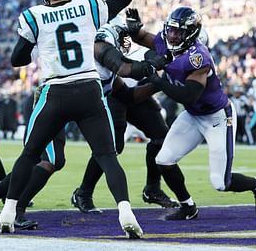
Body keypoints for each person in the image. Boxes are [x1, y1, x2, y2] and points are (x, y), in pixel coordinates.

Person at [0, 0, 146, 238]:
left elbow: (18, 59)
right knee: (107, 156)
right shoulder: (88, 4)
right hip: (89, 89)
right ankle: (125, 211)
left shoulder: (34, 16)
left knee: (29, 154)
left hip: (55, 92)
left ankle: (8, 212)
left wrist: (37, 44)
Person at [128, 6, 256, 220]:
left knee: (221, 183)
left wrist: (157, 79)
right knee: (164, 160)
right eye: (171, 30)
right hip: (193, 115)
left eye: (179, 32)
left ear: (192, 33)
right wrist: (133, 28)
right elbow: (143, 37)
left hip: (216, 117)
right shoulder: (166, 42)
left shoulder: (198, 57)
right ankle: (188, 207)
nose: (173, 36)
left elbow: (188, 95)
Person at [71, 14, 178, 214]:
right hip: (113, 92)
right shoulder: (105, 44)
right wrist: (160, 71)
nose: (126, 38)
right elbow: (132, 70)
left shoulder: (152, 42)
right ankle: (83, 193)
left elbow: (135, 93)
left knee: (162, 137)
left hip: (134, 92)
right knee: (112, 147)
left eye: (129, 33)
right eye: (123, 34)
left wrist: (158, 84)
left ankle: (153, 188)